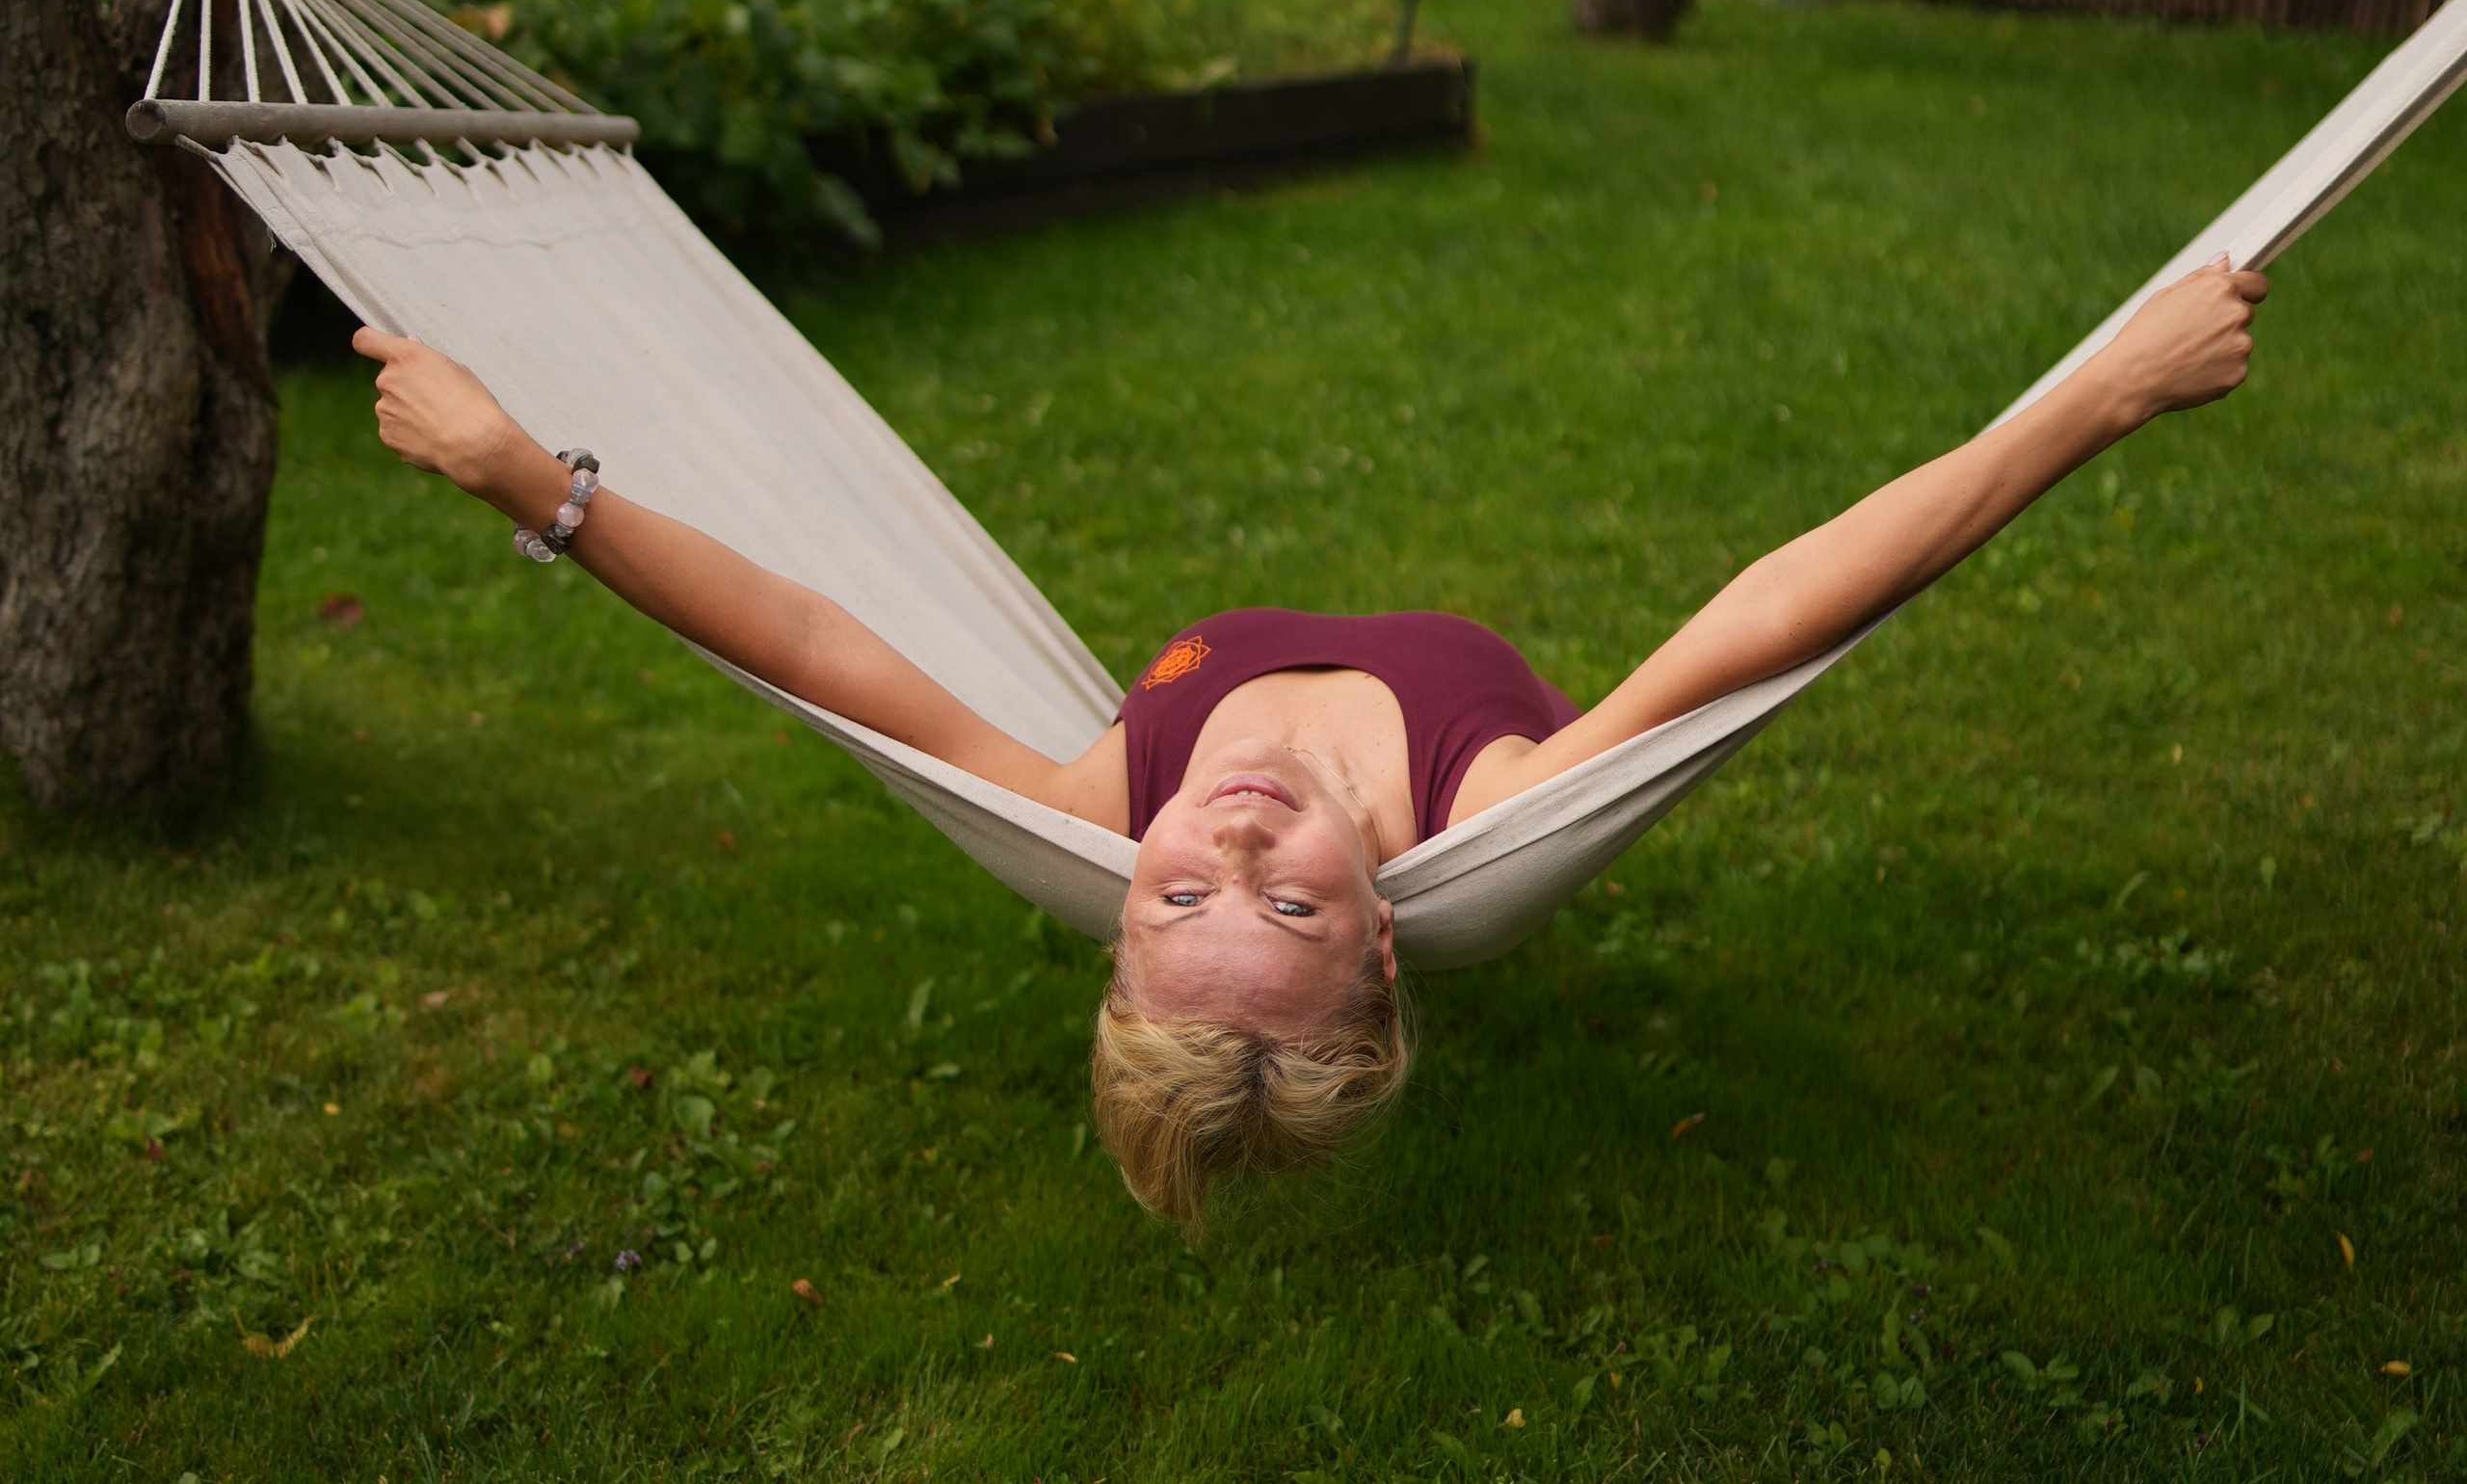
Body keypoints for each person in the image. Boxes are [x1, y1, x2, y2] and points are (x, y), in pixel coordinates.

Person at [353, 253, 2266, 1231]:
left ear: (1115, 906)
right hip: (1470, 750)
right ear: (1376, 942)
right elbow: (1779, 604)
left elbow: (805, 639)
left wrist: (527, 479)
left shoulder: (1098, 804)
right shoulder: (1481, 815)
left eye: (1177, 884)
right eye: (1272, 898)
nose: (1231, 827)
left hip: (548, 485)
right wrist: (2099, 393)